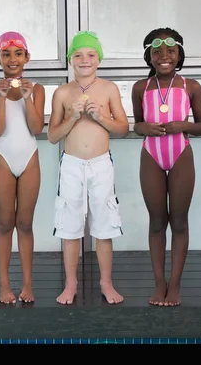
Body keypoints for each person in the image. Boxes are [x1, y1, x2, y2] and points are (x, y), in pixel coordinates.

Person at [47, 31, 129, 305]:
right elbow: (52, 136)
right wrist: (72, 117)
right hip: (71, 165)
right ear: (71, 59)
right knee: (70, 227)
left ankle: (106, 283)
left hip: (100, 164)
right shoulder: (62, 92)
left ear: (99, 59)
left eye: (91, 55)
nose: (84, 59)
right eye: (78, 55)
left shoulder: (108, 89)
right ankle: (71, 284)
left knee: (104, 226)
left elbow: (123, 128)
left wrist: (100, 116)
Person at [131, 27, 201, 307]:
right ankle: (159, 283)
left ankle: (174, 285)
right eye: (157, 52)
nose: (164, 56)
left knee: (178, 221)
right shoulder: (141, 87)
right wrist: (144, 127)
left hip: (180, 154)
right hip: (151, 155)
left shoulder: (191, 86)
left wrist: (183, 126)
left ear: (179, 56)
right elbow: (137, 124)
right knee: (156, 222)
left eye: (170, 51)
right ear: (149, 56)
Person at [0, 31, 45, 304]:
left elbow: (36, 128)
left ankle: (28, 283)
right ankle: (4, 283)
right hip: (3, 159)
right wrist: (3, 97)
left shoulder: (38, 88)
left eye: (18, 54)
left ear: (26, 57)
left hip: (29, 157)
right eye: (6, 54)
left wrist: (27, 98)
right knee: (5, 222)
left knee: (26, 223)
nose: (12, 59)